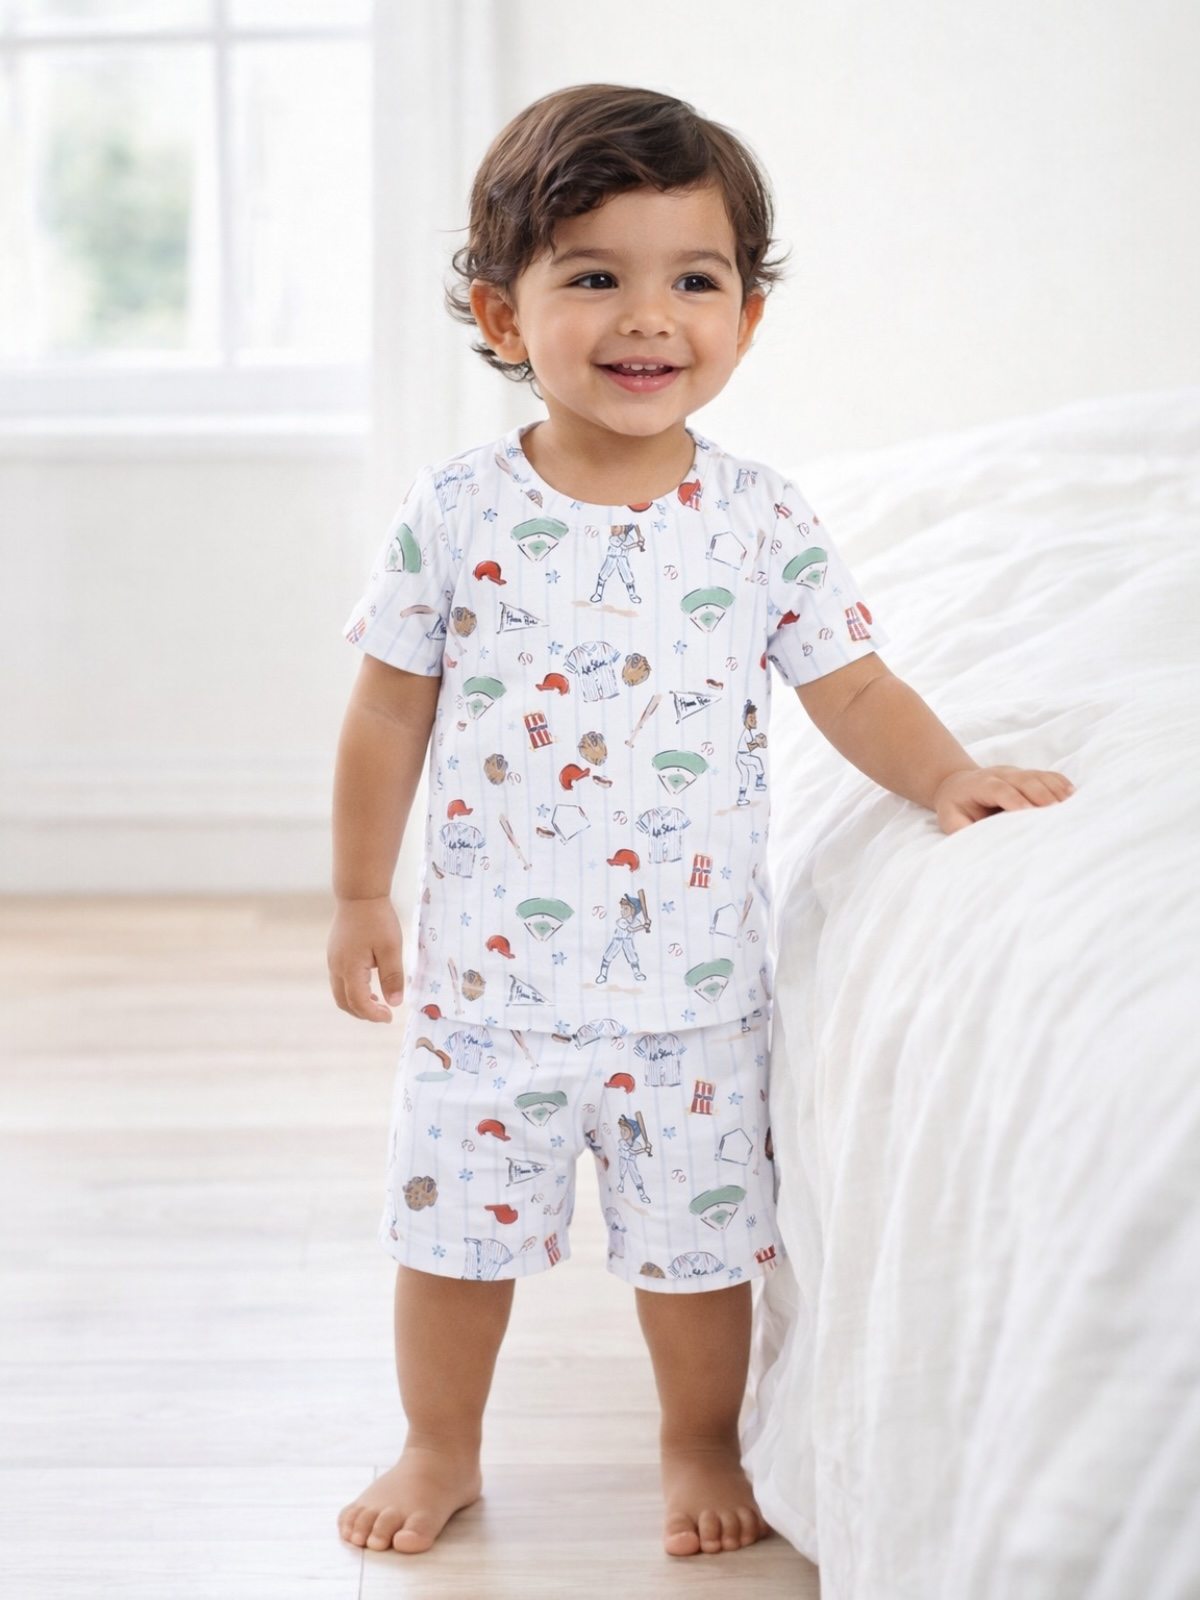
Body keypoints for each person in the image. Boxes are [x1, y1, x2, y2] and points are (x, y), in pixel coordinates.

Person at [327, 83, 1073, 1560]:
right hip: (491, 991)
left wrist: (943, 776)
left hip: (692, 994)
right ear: (500, 312)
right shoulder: (458, 511)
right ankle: (437, 1442)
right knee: (453, 1240)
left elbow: (850, 686)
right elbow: (387, 712)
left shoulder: (761, 519)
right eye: (593, 277)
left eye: (694, 279)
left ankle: (697, 1445)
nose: (645, 317)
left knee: (697, 1253)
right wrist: (360, 893)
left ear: (746, 315)